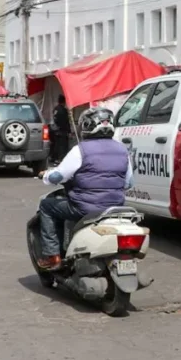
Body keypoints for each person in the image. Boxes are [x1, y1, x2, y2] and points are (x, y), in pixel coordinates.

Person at [37, 106, 133, 270]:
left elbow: (58, 176)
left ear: (87, 126)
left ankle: (52, 256)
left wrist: (45, 175)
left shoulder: (80, 151)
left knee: (46, 206)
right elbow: (128, 183)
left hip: (84, 208)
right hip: (115, 208)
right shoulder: (123, 150)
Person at [50, 94, 71, 164]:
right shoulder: (63, 110)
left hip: (55, 130)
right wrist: (69, 131)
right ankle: (60, 159)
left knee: (56, 145)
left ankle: (54, 158)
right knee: (63, 146)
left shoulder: (55, 109)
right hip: (62, 131)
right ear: (64, 101)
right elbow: (65, 122)